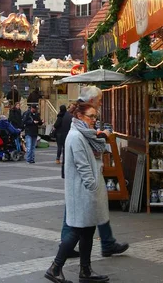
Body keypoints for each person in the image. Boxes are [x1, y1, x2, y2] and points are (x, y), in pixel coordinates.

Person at [44, 102, 109, 283]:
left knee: (87, 231)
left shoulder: (85, 135)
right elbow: (83, 166)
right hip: (82, 192)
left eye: (96, 116)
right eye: (91, 116)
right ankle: (55, 268)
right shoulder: (76, 136)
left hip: (86, 192)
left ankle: (86, 271)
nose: (95, 120)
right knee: (76, 231)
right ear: (80, 116)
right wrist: (93, 187)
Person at [61, 86, 128, 259]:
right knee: (76, 215)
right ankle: (63, 255)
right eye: (99, 100)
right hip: (81, 177)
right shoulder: (79, 118)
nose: (100, 103)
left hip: (84, 175)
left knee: (89, 211)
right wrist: (102, 135)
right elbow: (82, 147)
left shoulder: (85, 114)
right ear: (91, 101)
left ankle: (104, 245)